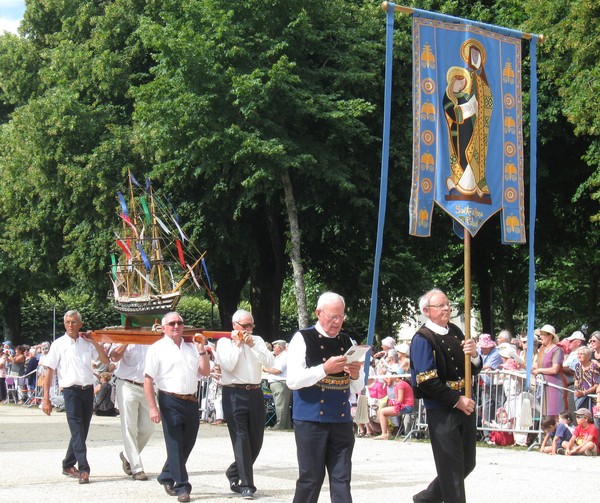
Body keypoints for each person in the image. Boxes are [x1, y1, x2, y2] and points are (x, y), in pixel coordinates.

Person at [287, 291, 365, 503]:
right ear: (319, 314)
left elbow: (359, 386)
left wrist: (356, 374)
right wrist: (324, 368)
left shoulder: (349, 340)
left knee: (342, 479)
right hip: (311, 419)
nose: (338, 322)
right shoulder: (302, 338)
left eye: (341, 316)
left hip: (340, 419)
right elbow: (292, 380)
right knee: (311, 478)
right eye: (333, 317)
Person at [410, 288, 482, 503]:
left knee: (467, 463)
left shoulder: (456, 331)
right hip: (442, 408)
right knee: (451, 468)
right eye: (440, 305)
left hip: (464, 402)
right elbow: (426, 380)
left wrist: (474, 355)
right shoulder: (423, 338)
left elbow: (471, 370)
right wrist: (456, 400)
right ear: (426, 310)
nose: (446, 308)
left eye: (447, 304)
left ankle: (427, 498)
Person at [144, 311, 210, 502]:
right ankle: (182, 486)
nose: (176, 326)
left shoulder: (191, 348)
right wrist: (153, 407)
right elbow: (148, 380)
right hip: (169, 399)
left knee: (187, 443)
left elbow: (204, 372)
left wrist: (202, 350)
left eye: (179, 323)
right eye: (172, 323)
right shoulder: (157, 349)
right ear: (164, 327)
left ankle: (166, 474)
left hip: (190, 400)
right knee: (174, 442)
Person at [41, 309, 109, 484]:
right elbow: (49, 372)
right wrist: (45, 398)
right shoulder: (58, 344)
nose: (70, 325)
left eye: (73, 322)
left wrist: (94, 341)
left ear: (80, 324)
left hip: (87, 390)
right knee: (77, 429)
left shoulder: (86, 343)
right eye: (67, 322)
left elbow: (105, 360)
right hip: (70, 391)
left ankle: (67, 463)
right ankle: (84, 468)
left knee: (82, 430)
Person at [216, 309, 275, 500]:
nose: (249, 329)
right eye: (245, 325)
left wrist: (253, 346)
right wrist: (239, 344)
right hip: (234, 391)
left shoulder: (257, 340)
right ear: (235, 326)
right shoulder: (224, 342)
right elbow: (228, 365)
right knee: (241, 438)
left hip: (255, 391)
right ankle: (247, 484)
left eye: (251, 325)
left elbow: (271, 362)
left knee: (256, 440)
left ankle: (235, 471)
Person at [109, 342, 154, 481]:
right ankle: (137, 468)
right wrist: (127, 341)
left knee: (148, 428)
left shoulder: (152, 339)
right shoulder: (122, 338)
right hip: (127, 384)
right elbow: (114, 357)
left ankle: (127, 456)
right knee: (129, 427)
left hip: (147, 386)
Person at [532, 324, 567, 419]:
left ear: (550, 336)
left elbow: (555, 369)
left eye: (543, 334)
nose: (540, 337)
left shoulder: (557, 350)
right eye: (540, 334)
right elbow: (537, 365)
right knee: (544, 415)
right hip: (543, 385)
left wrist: (539, 370)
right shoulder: (542, 349)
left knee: (554, 414)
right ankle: (546, 433)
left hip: (554, 385)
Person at [265, 339, 293, 430]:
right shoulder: (279, 356)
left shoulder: (284, 356)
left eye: (275, 346)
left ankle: (279, 425)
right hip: (279, 383)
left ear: (280, 347)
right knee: (283, 405)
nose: (273, 348)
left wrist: (266, 369)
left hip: (280, 383)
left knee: (280, 405)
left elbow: (278, 370)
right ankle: (286, 425)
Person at [573, 346, 600, 410]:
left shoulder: (594, 367)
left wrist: (584, 393)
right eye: (578, 354)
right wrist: (577, 390)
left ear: (588, 356)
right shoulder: (577, 366)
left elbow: (596, 385)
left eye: (581, 354)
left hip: (593, 398)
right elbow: (576, 380)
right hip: (580, 397)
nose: (579, 356)